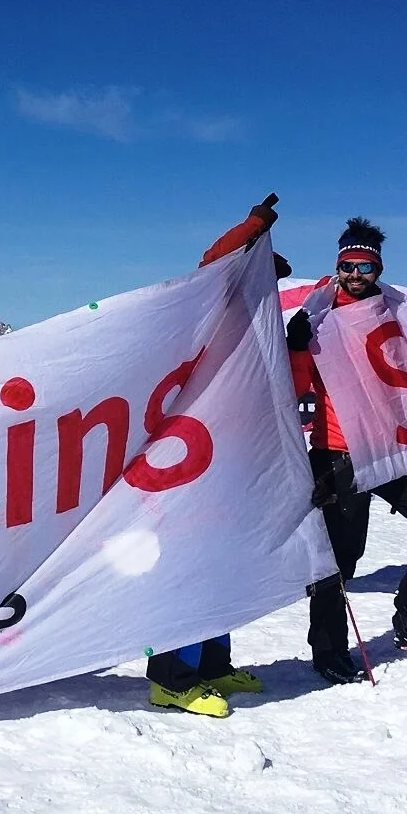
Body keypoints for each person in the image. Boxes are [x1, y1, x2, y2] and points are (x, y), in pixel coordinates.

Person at [286, 218, 407, 685]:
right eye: (349, 266)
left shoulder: (388, 311)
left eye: (366, 266)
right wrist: (296, 348)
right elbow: (295, 390)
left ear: (378, 269)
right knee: (340, 560)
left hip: (391, 446)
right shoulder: (317, 318)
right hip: (338, 451)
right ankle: (328, 650)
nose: (356, 274)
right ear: (338, 267)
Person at [144, 200, 283, 717]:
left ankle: (213, 663)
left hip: (234, 459)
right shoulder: (212, 309)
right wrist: (252, 229)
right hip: (189, 458)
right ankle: (172, 679)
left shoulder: (257, 324)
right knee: (190, 564)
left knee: (226, 563)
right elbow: (212, 263)